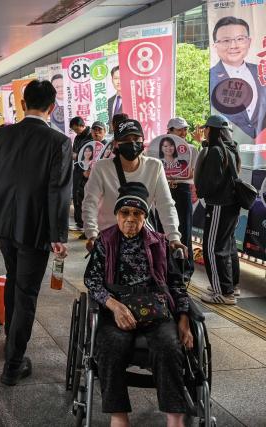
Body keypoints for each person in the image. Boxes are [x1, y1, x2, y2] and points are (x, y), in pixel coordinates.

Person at [0, 79, 72, 386]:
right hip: (35, 226)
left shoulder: (1, 135)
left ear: (22, 103)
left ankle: (11, 341)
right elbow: (58, 191)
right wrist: (58, 235)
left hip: (2, 221)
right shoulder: (58, 141)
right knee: (27, 290)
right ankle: (14, 365)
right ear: (52, 107)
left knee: (14, 278)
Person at [84, 181, 192, 426]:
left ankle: (175, 417)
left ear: (145, 216)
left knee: (169, 346)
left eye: (137, 213)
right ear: (117, 215)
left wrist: (184, 318)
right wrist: (114, 305)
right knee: (109, 345)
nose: (130, 219)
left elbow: (176, 283)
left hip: (156, 309)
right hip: (117, 309)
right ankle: (119, 417)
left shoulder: (160, 242)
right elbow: (91, 280)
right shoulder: (105, 240)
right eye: (124, 213)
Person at [83, 119, 186, 256]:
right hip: (108, 239)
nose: (132, 142)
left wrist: (173, 237)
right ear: (116, 144)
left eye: (136, 138)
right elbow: (90, 203)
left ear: (143, 140)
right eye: (126, 139)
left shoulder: (154, 166)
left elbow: (165, 204)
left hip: (141, 240)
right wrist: (92, 234)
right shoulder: (102, 168)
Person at [195, 115, 241, 305]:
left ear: (213, 131)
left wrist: (201, 191)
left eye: (207, 129)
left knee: (213, 249)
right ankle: (231, 286)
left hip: (219, 206)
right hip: (231, 205)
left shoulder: (216, 151)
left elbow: (209, 182)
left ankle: (222, 292)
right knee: (228, 247)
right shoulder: (232, 148)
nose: (204, 131)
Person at [209, 16, 266, 138]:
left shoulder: (261, 71)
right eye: (226, 41)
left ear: (249, 42)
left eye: (240, 39)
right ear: (215, 46)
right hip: (231, 148)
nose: (233, 45)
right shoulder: (211, 77)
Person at [160, 117, 200, 281]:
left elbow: (193, 173)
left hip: (182, 190)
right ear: (169, 131)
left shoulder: (191, 149)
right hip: (164, 191)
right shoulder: (158, 149)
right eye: (179, 129)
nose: (183, 133)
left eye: (185, 129)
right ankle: (164, 266)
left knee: (184, 229)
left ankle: (185, 269)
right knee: (163, 229)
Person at [70, 116, 92, 231]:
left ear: (82, 125)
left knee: (84, 195)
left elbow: (90, 153)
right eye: (74, 130)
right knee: (76, 195)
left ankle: (85, 223)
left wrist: (76, 155)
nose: (75, 131)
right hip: (77, 168)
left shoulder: (90, 136)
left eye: (76, 129)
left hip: (87, 170)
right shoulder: (78, 137)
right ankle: (79, 222)